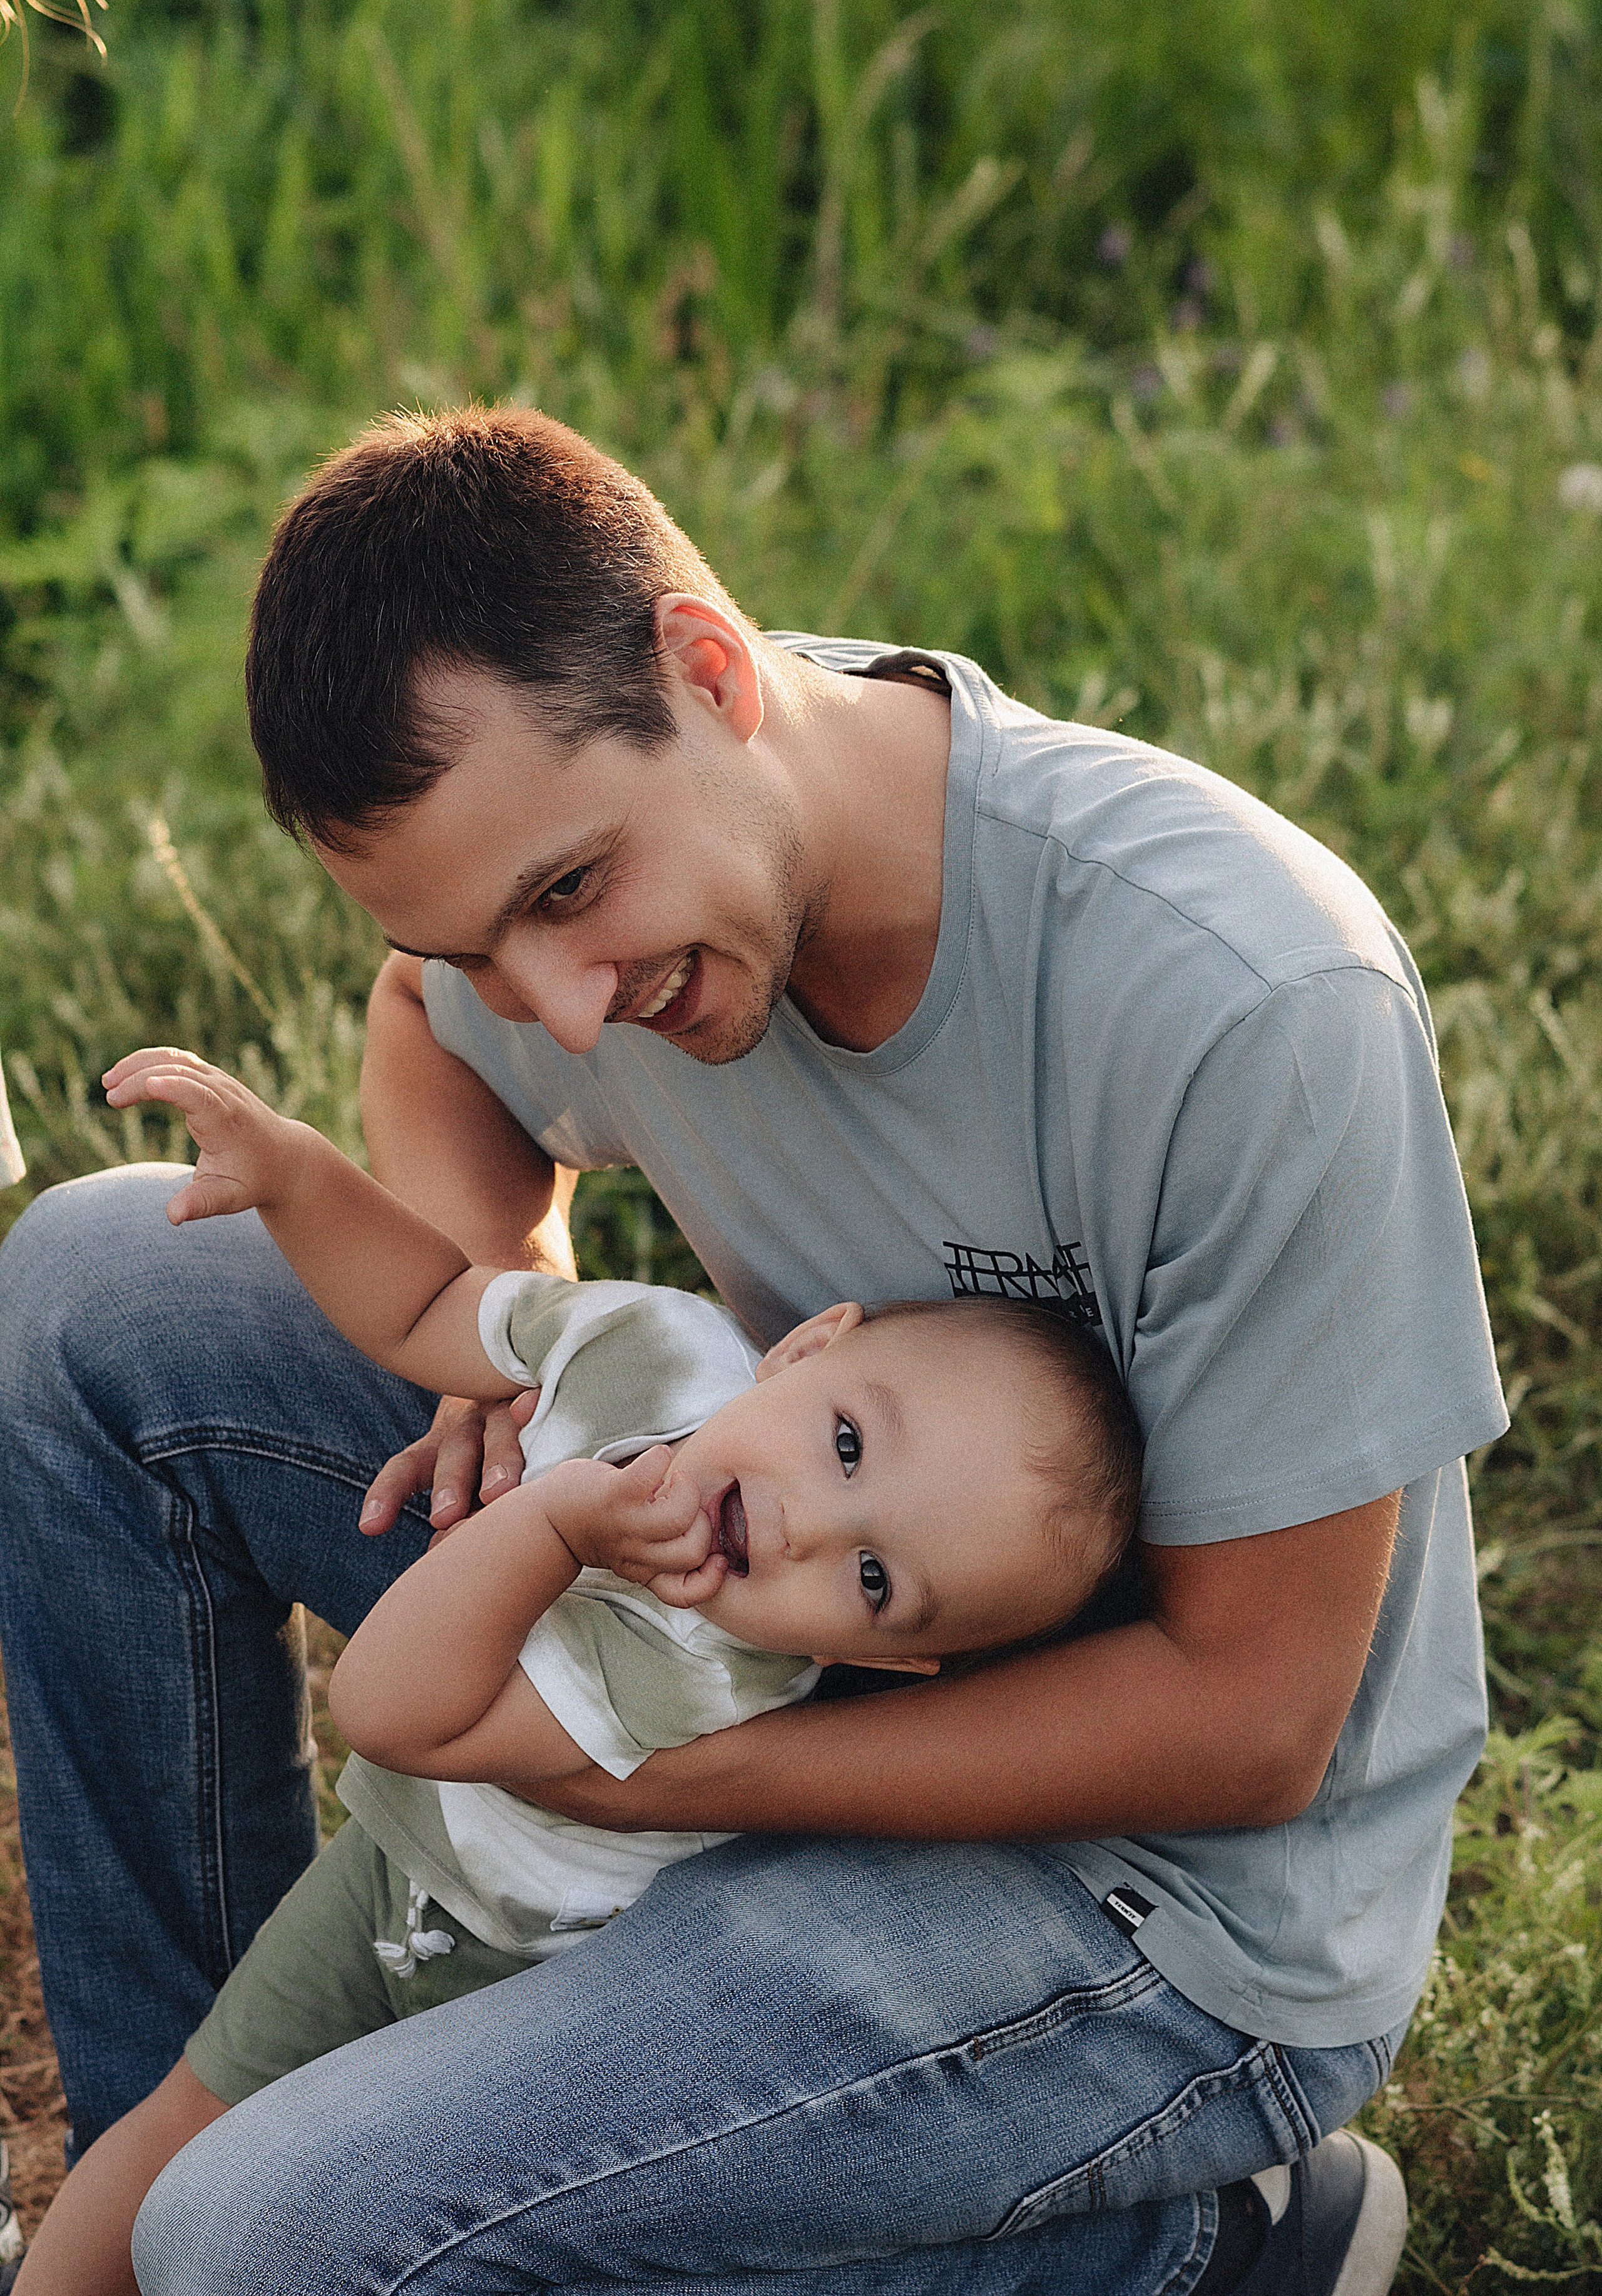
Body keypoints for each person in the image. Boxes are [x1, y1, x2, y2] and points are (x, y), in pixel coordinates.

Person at [0, 406, 1507, 2296]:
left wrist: (646, 1775)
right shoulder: (608, 891)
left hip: (1154, 1896)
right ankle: (174, 2174)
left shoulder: (1247, 1000)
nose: (555, 1001)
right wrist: (499, 1313)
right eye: (486, 946)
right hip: (752, 1590)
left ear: (713, 671)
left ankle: (1183, 2251)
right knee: (91, 1284)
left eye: (563, 896)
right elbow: (425, 1022)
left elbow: (1253, 1718)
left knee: (279, 2230)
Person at [15, 1047, 1141, 2296]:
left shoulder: (718, 1673)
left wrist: (550, 1523)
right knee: (179, 2122)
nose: (809, 1522)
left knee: (336, 2231)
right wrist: (296, 1172)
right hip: (400, 1873)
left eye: (873, 1577)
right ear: (808, 1343)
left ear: (879, 1654)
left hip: (518, 1978)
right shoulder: (648, 1347)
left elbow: (392, 1711)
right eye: (843, 1440)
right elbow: (429, 1305)